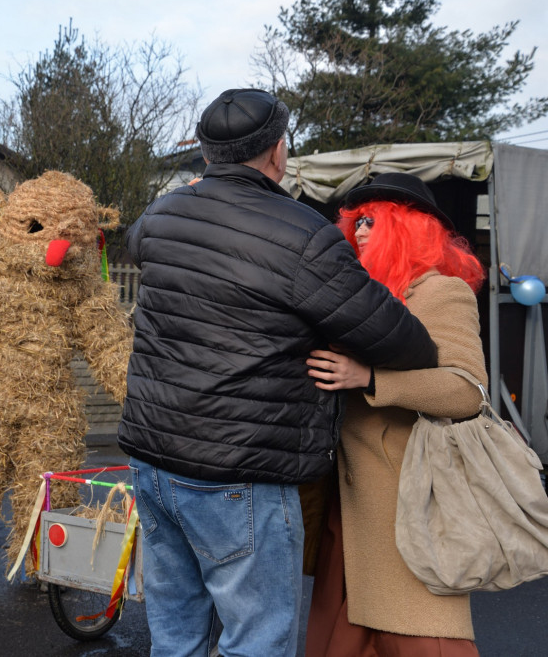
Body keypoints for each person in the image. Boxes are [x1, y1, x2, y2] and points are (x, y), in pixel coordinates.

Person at [118, 88, 441, 657]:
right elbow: (401, 339)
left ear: (208, 153)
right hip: (238, 475)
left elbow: (135, 241)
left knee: (173, 638)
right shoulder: (302, 234)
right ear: (277, 150)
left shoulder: (164, 213)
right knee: (257, 641)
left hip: (152, 463)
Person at [304, 173, 486, 656]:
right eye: (352, 221)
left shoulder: (441, 292)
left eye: (370, 220)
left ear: (409, 228)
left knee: (422, 640)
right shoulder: (357, 298)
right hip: (347, 506)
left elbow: (467, 392)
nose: (357, 231)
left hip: (408, 506)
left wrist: (371, 379)